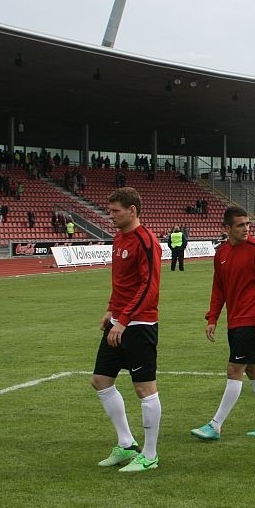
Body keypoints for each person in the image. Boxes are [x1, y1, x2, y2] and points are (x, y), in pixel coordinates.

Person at [191, 206, 255, 441]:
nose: (246, 229)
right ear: (227, 228)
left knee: (235, 369)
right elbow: (219, 288)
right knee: (253, 368)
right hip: (235, 321)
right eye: (240, 225)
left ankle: (215, 425)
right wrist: (213, 317)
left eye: (247, 224)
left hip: (252, 321)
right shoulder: (221, 253)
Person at [91, 187, 163, 472]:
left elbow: (148, 286)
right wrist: (112, 310)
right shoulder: (119, 238)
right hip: (119, 321)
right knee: (101, 380)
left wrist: (123, 320)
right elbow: (120, 282)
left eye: (115, 211)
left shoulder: (146, 241)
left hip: (139, 324)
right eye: (109, 210)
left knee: (144, 388)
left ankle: (150, 455)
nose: (111, 216)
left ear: (132, 211)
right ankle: (126, 443)